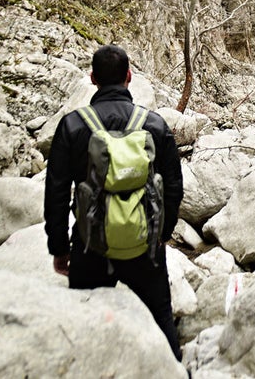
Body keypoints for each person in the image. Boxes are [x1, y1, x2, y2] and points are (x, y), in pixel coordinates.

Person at [44, 44, 184, 361]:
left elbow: (55, 190)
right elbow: (174, 185)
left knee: (85, 327)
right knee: (161, 320)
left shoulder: (72, 125)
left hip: (90, 244)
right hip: (144, 247)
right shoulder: (155, 125)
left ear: (93, 78)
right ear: (129, 77)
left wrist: (59, 247)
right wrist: (163, 233)